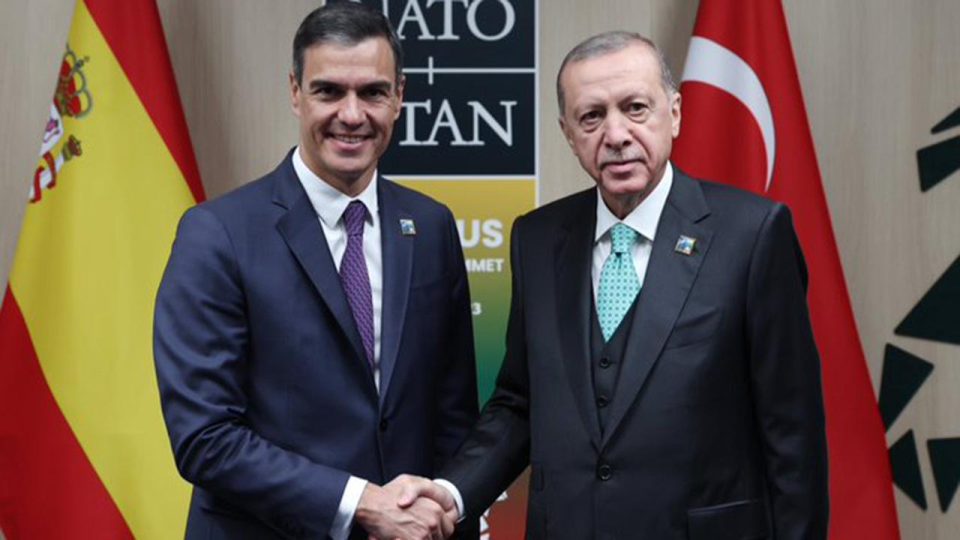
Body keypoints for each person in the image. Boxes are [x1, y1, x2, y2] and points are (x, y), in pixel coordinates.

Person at [398, 31, 829, 539]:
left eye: (635, 108)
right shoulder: (536, 239)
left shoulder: (753, 234)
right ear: (568, 134)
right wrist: (451, 493)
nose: (617, 134)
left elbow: (792, 435)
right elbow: (520, 403)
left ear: (675, 113)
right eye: (592, 116)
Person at [153, 3, 478, 539]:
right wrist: (362, 504)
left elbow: (453, 415)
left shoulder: (430, 226)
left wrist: (445, 512)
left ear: (399, 96)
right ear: (295, 92)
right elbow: (204, 437)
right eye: (329, 91)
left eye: (372, 92)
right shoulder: (217, 234)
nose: (352, 115)